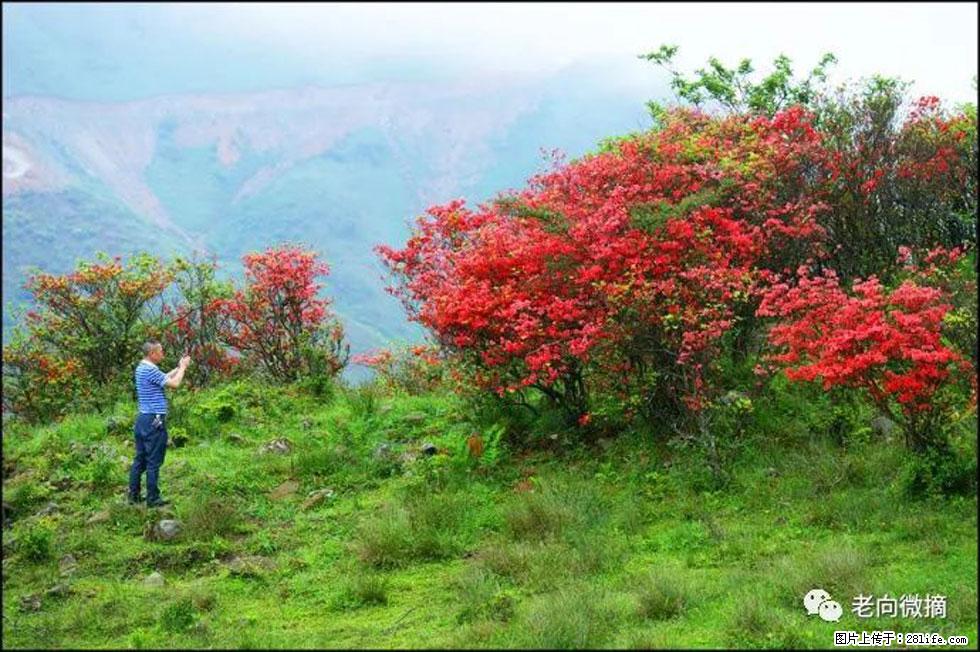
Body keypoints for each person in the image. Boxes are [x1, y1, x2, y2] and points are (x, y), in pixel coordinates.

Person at [128, 341, 190, 507]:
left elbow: (163, 378)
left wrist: (178, 367)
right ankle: (153, 498)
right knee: (154, 461)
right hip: (154, 420)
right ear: (152, 354)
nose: (163, 354)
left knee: (140, 459)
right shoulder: (150, 369)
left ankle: (133, 495)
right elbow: (175, 384)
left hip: (143, 419)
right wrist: (183, 368)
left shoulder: (142, 368)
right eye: (161, 351)